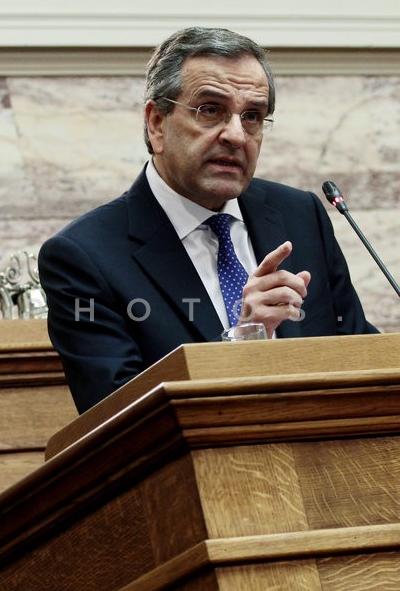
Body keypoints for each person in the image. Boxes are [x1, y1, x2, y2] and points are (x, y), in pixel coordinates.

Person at [39, 26, 378, 414]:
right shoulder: (84, 256)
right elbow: (119, 419)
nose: (236, 135)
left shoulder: (300, 214)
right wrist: (245, 342)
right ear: (156, 123)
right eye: (211, 110)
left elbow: (358, 352)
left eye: (252, 116)